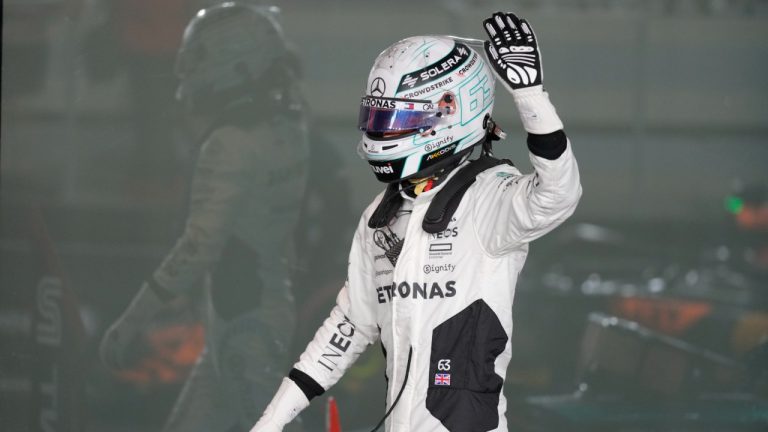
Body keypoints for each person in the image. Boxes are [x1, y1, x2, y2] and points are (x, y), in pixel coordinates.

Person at [251, 11, 582, 432]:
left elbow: (558, 194)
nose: (384, 133)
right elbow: (346, 330)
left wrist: (530, 95)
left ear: (451, 114)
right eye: (379, 119)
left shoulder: (490, 198)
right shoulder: (381, 216)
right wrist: (268, 424)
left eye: (400, 120)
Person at [98, 3, 309, 431]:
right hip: (249, 313)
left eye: (200, 57)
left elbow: (199, 245)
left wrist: (132, 321)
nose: (189, 69)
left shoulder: (230, 143)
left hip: (241, 322)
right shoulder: (288, 127)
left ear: (235, 64)